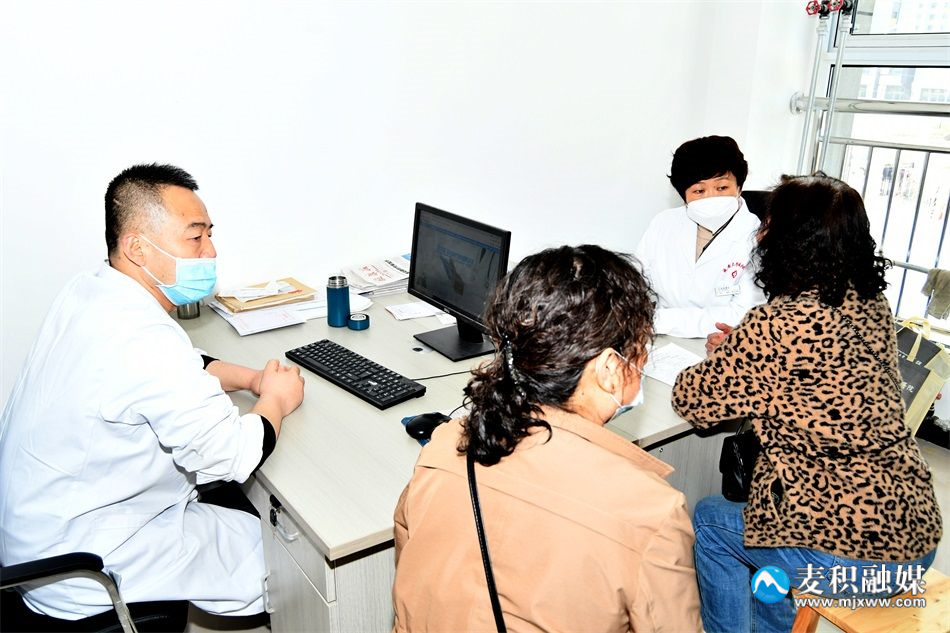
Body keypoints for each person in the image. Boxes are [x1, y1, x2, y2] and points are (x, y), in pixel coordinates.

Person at [0, 164, 305, 620]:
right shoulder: (141, 335)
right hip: (88, 566)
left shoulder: (92, 290)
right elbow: (231, 455)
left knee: (247, 531)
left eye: (210, 234)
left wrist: (250, 379)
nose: (210, 250)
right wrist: (276, 399)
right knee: (288, 567)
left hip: (40, 535)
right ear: (137, 248)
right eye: (195, 237)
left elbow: (181, 363)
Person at [671, 174, 942, 633]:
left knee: (713, 522)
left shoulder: (776, 325)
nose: (760, 232)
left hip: (852, 563)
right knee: (763, 524)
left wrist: (735, 354)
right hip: (915, 538)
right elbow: (818, 373)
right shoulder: (871, 304)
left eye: (767, 224)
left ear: (788, 242)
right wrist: (746, 351)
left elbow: (691, 400)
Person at [392, 245, 702, 633]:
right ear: (610, 368)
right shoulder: (650, 512)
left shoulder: (446, 443)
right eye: (642, 351)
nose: (642, 363)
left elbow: (408, 571)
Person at [636, 135, 766, 338]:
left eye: (722, 187)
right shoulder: (663, 223)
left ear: (739, 187)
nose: (711, 197)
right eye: (699, 190)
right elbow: (635, 278)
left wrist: (659, 320)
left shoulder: (757, 236)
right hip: (660, 340)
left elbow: (743, 314)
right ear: (684, 195)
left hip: (721, 344)